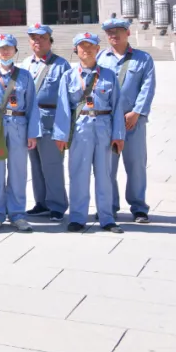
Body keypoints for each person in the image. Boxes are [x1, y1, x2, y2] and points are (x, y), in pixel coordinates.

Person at [55, 32, 126, 233]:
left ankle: (107, 217)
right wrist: (61, 136)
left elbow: (117, 106)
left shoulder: (109, 75)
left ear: (97, 49)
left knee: (105, 175)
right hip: (80, 128)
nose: (86, 49)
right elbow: (62, 108)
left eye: (91, 46)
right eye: (82, 46)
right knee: (78, 173)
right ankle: (77, 217)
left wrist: (118, 134)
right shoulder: (68, 76)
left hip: (104, 127)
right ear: (75, 49)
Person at [0, 34, 40, 232]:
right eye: (1, 48)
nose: (5, 52)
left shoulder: (24, 75)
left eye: (9, 48)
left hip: (18, 125)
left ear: (15, 51)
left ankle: (17, 214)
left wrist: (32, 133)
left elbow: (32, 106)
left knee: (18, 172)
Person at [98, 18, 156, 223]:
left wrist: (136, 113)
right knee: (107, 166)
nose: (114, 35)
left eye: (118, 31)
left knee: (136, 165)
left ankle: (139, 207)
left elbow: (147, 88)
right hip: (107, 122)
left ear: (128, 33)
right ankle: (109, 206)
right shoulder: (100, 58)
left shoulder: (143, 59)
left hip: (133, 122)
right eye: (110, 32)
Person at [22, 23, 71, 222]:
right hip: (29, 121)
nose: (37, 41)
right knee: (35, 164)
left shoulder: (61, 65)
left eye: (42, 37)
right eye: (34, 38)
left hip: (50, 120)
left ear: (50, 40)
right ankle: (41, 202)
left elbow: (66, 101)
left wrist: (63, 131)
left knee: (52, 165)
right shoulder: (25, 63)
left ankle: (57, 205)